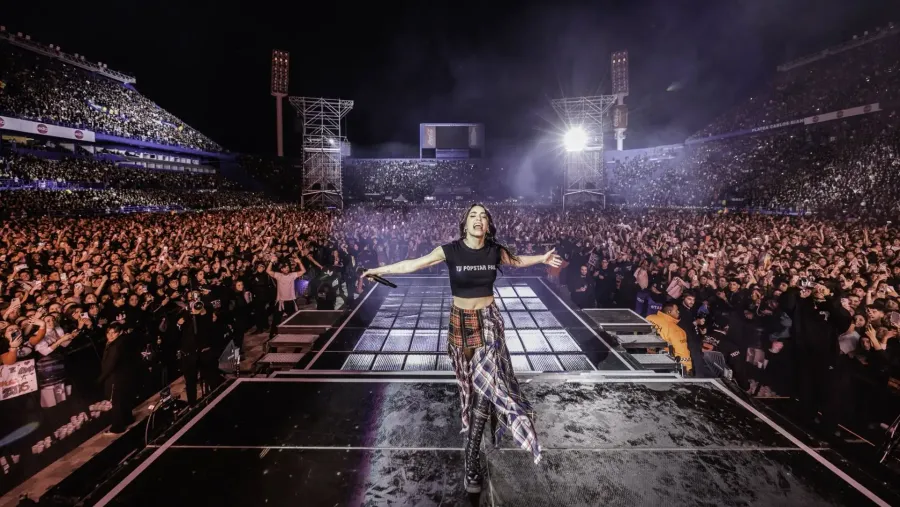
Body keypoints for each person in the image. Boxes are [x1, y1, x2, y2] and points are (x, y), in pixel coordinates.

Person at [363, 203, 561, 494]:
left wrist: (542, 258)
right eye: (473, 215)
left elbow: (518, 261)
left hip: (489, 321)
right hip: (460, 322)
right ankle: (473, 448)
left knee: (487, 384)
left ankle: (471, 458)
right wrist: (377, 270)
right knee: (472, 384)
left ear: (488, 224)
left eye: (483, 216)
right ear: (465, 223)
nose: (479, 219)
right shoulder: (450, 250)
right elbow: (412, 264)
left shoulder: (495, 250)